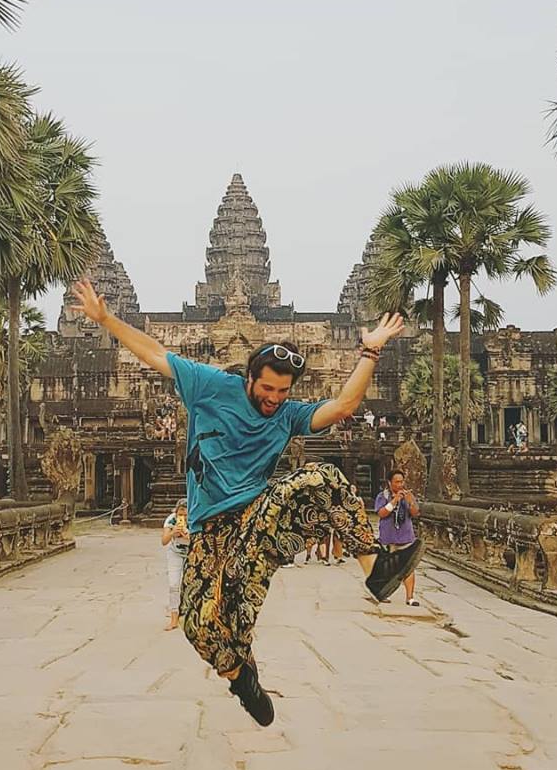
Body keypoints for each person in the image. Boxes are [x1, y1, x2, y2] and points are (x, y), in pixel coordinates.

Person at [70, 278, 420, 727]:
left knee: (323, 479)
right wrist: (105, 318)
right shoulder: (210, 385)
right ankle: (241, 677)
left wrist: (370, 350)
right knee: (198, 625)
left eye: (282, 392)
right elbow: (154, 353)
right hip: (208, 529)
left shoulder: (288, 414)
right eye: (267, 388)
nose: (273, 399)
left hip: (258, 515)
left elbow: (343, 406)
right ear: (250, 377)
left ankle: (377, 569)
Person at [375, 471, 421, 606]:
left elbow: (415, 513)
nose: (400, 484)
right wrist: (394, 501)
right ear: (390, 483)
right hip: (388, 536)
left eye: (402, 481)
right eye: (397, 482)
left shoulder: (408, 495)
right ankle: (384, 593)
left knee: (409, 566)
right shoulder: (383, 496)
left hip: (405, 535)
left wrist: (410, 502)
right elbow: (382, 513)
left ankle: (410, 597)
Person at [162, 498, 190, 630]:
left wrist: (188, 536)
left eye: (185, 515)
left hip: (192, 554)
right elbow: (164, 541)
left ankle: (188, 615)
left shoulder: (195, 519)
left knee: (190, 585)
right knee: (173, 585)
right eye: (180, 514)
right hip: (175, 553)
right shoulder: (171, 520)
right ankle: (174, 618)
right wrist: (173, 533)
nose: (182, 517)